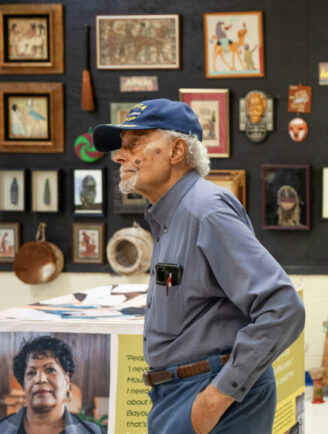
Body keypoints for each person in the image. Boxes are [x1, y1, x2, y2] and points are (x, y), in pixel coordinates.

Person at [92, 98, 305, 433]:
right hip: (177, 392)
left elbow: (283, 308)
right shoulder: (171, 215)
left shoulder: (205, 211)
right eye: (121, 147)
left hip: (212, 396)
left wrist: (215, 398)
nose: (119, 156)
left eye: (135, 144)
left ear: (177, 151)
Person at [0, 336, 101, 433]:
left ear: (66, 381)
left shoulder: (93, 432)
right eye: (31, 373)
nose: (40, 379)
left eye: (50, 370)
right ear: (23, 385)